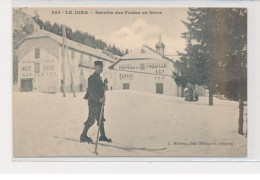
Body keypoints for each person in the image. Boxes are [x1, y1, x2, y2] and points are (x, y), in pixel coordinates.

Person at [80, 61, 112, 143]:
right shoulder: (91, 78)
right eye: (99, 67)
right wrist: (98, 99)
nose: (101, 69)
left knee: (100, 119)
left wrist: (104, 84)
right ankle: (83, 136)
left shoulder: (99, 78)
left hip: (100, 103)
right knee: (91, 119)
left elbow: (100, 89)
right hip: (94, 102)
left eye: (102, 67)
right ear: (95, 67)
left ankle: (102, 136)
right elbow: (91, 91)